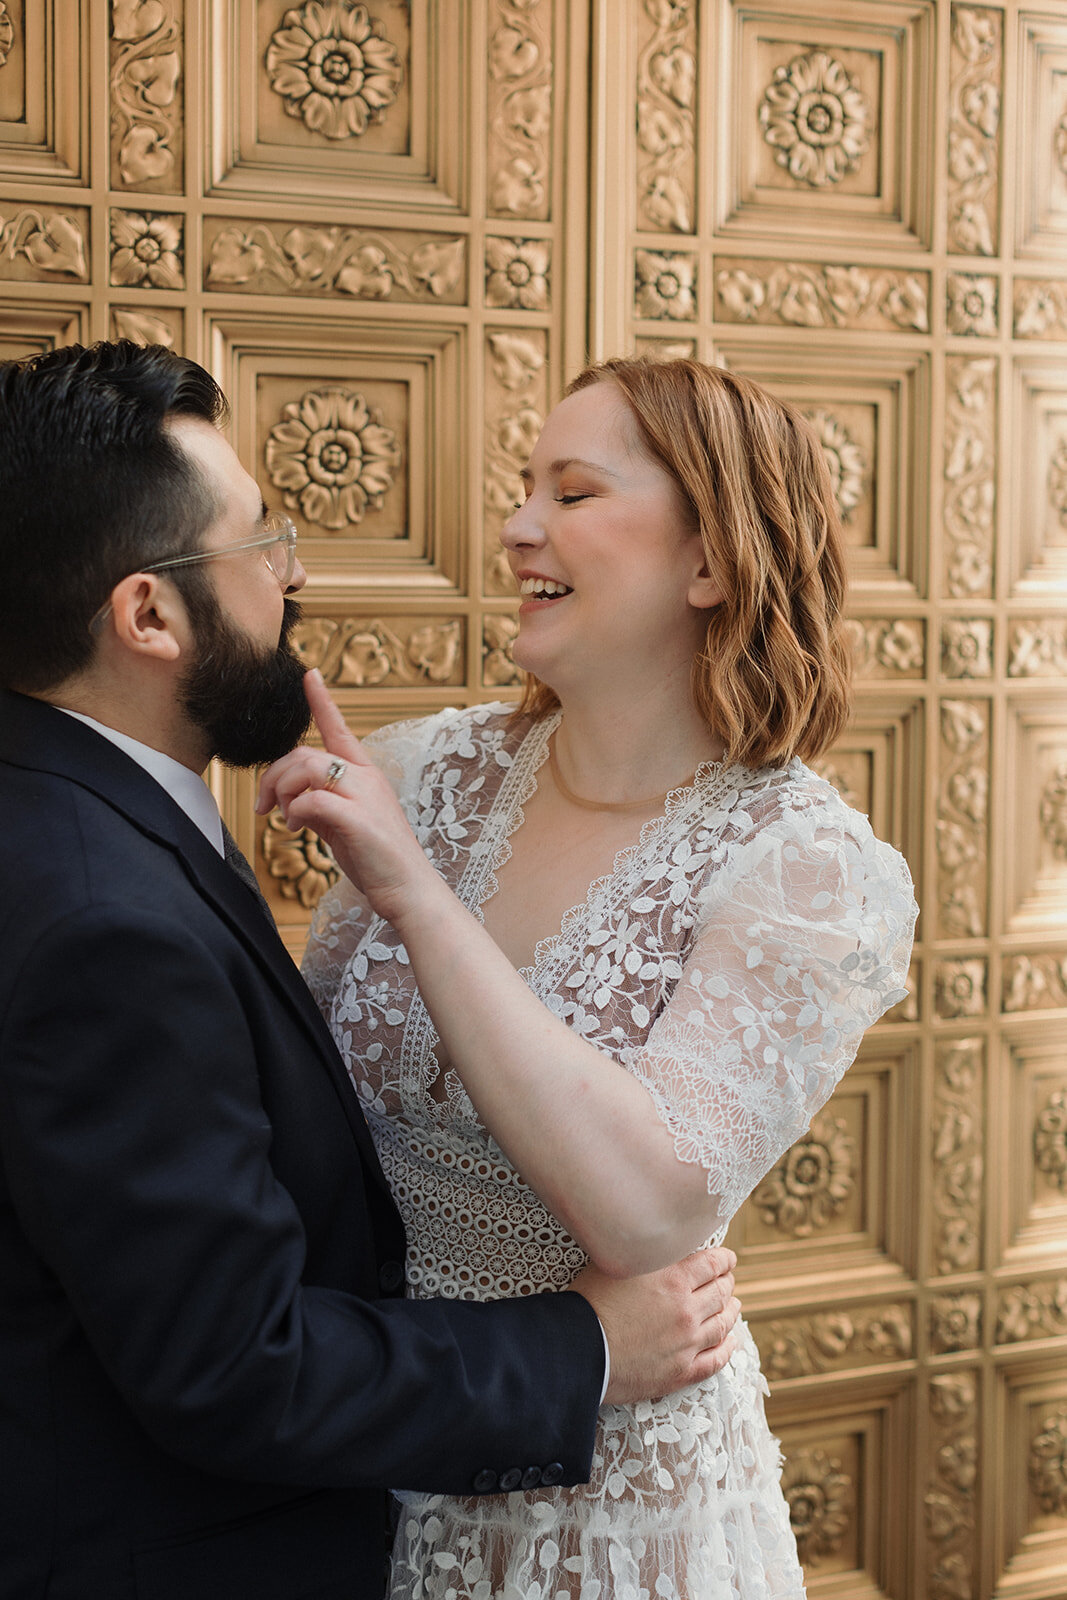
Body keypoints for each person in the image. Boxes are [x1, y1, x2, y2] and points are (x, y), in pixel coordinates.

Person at [0, 341, 743, 1600]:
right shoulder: (100, 917)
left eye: (572, 492)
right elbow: (234, 1363)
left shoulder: (76, 819)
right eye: (258, 541)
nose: (295, 571)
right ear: (148, 613)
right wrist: (584, 1349)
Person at [259, 357, 919, 1599]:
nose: (515, 530)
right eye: (522, 491)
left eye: (570, 492)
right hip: (360, 1449)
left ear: (708, 561)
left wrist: (413, 894)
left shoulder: (807, 871)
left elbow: (641, 1206)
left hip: (605, 1513)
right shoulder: (424, 778)